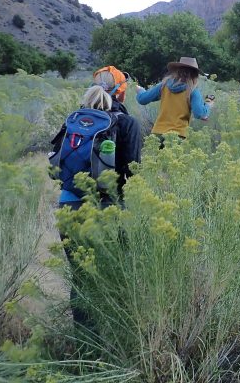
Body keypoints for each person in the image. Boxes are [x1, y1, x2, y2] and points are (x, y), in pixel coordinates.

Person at [50, 67, 142, 327]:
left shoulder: (74, 119)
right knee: (115, 274)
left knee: (81, 277)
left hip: (69, 205)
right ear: (121, 93)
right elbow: (133, 170)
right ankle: (112, 337)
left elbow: (56, 164)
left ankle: (84, 342)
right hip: (107, 208)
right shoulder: (127, 123)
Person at [136, 57, 213, 139]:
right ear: (195, 74)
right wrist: (208, 104)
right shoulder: (193, 91)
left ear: (176, 70)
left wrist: (140, 90)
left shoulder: (164, 85)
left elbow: (142, 99)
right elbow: (200, 114)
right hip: (178, 136)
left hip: (158, 133)